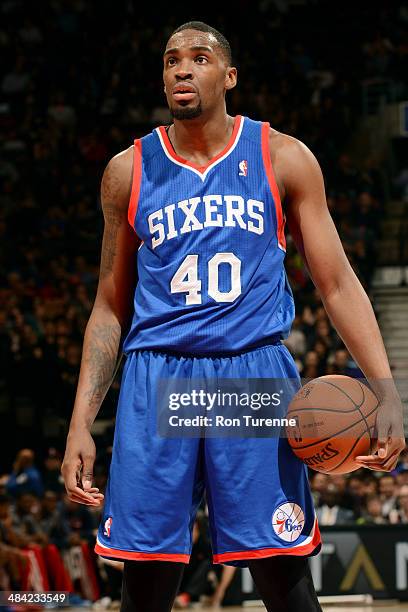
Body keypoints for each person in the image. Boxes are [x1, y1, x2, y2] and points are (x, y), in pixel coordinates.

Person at [61, 21, 406, 612]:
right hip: (158, 377)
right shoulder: (128, 170)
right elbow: (108, 309)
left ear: (230, 76)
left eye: (199, 58)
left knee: (280, 573)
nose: (183, 70)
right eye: (172, 60)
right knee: (144, 581)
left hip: (249, 376)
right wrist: (80, 423)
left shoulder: (283, 157)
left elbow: (337, 282)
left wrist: (387, 390)